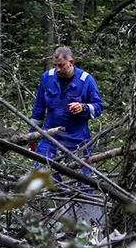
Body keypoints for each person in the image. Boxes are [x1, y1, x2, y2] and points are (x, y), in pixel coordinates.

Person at [30, 46, 103, 179]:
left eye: (61, 65)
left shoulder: (86, 80)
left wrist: (84, 107)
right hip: (51, 137)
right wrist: (32, 135)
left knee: (82, 180)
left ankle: (81, 198)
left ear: (71, 63)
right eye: (55, 65)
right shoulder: (48, 78)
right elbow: (38, 109)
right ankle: (57, 197)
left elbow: (98, 107)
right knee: (42, 173)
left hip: (78, 139)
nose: (58, 69)